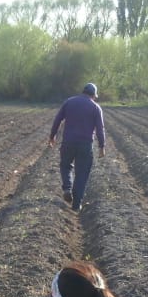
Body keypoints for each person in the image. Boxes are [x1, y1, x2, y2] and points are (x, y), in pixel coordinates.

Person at [49, 83, 106, 212]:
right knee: (82, 173)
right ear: (94, 95)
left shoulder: (69, 102)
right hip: (85, 145)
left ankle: (67, 188)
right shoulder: (95, 107)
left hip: (68, 142)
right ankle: (76, 205)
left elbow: (57, 120)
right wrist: (102, 146)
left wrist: (52, 136)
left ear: (83, 92)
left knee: (65, 165)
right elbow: (100, 129)